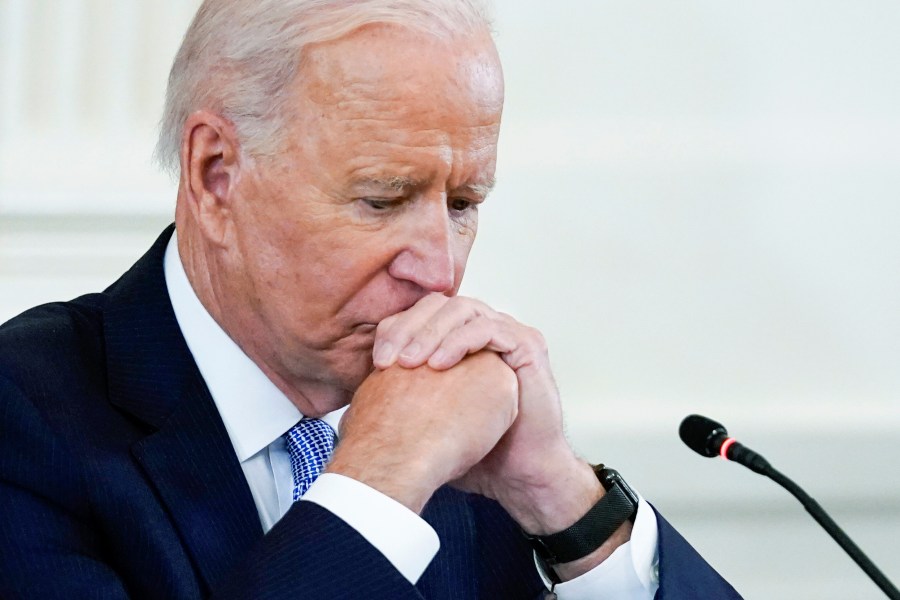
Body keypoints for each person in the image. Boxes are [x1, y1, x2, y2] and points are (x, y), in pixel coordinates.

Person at [0, 1, 741, 598]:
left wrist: (560, 496)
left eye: (462, 202)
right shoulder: (25, 419)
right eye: (383, 200)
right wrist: (378, 484)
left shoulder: (462, 424)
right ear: (216, 174)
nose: (440, 273)